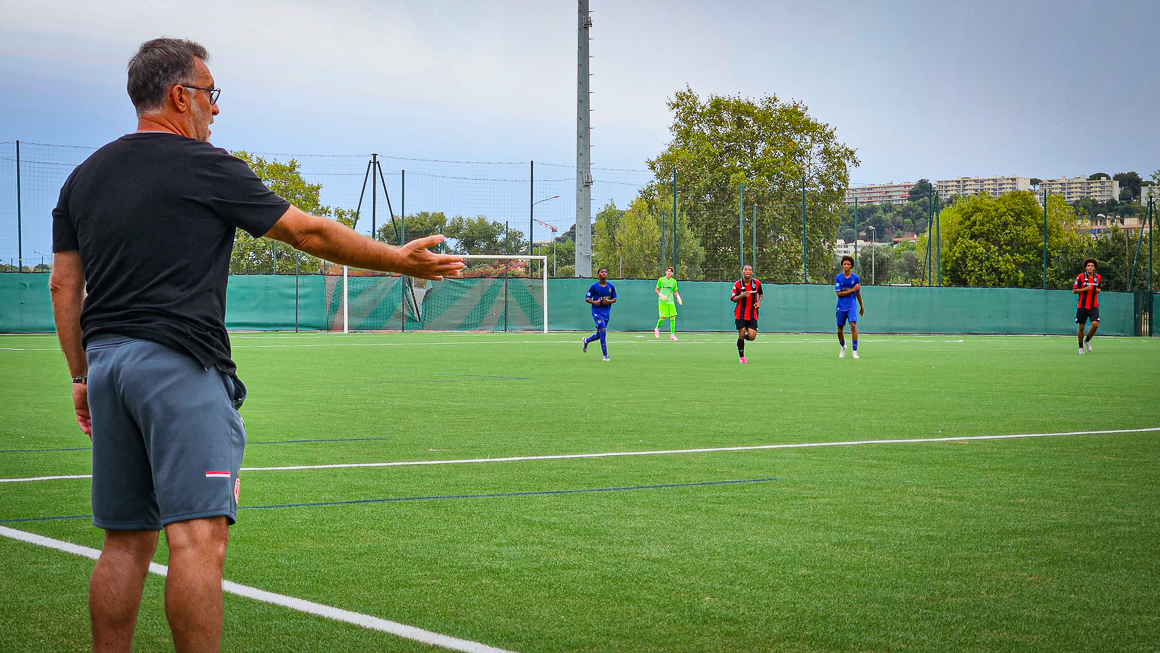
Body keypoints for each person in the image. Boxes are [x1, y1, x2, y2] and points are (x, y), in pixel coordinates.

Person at [49, 38, 463, 653]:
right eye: (211, 94)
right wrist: (400, 262)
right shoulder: (204, 164)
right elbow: (310, 232)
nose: (216, 109)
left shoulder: (85, 176)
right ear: (179, 95)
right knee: (196, 539)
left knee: (124, 540)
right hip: (179, 367)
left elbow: (64, 283)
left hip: (108, 367)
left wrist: (82, 376)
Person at [731, 264, 762, 363]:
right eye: (745, 270)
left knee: (752, 336)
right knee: (742, 331)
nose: (748, 271)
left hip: (753, 313)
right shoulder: (737, 284)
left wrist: (758, 302)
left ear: (752, 272)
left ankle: (740, 340)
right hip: (740, 313)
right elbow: (733, 299)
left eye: (750, 270)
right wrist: (742, 295)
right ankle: (742, 357)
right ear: (742, 272)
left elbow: (761, 293)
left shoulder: (756, 283)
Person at [583, 268, 616, 361]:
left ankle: (586, 340)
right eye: (602, 272)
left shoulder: (610, 287)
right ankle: (605, 356)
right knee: (603, 331)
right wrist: (595, 302)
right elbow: (587, 298)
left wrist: (608, 301)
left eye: (605, 272)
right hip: (597, 312)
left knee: (600, 334)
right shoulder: (594, 287)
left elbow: (614, 299)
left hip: (606, 312)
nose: (604, 273)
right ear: (598, 274)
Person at [834, 255, 864, 359]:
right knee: (839, 330)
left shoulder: (855, 278)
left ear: (851, 266)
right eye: (844, 264)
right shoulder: (838, 277)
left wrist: (861, 306)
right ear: (842, 265)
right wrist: (852, 290)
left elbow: (858, 293)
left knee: (853, 325)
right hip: (841, 306)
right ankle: (843, 347)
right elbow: (839, 294)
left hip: (852, 305)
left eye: (848, 264)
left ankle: (854, 351)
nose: (846, 265)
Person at [1073, 258, 1101, 354]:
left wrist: (1098, 291)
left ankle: (1087, 340)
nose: (1090, 267)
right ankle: (1080, 346)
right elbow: (1074, 290)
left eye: (1092, 266)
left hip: (1093, 305)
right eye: (1088, 266)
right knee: (1081, 327)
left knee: (1095, 324)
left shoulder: (1098, 277)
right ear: (1085, 267)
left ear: (1094, 268)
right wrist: (1085, 289)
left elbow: (1098, 288)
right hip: (1082, 306)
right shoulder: (1080, 277)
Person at [654, 266, 682, 340]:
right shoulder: (661, 280)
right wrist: (661, 295)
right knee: (663, 317)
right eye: (668, 271)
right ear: (665, 272)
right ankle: (657, 328)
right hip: (662, 301)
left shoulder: (673, 282)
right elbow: (656, 289)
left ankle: (672, 335)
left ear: (672, 273)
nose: (669, 272)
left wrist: (678, 297)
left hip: (670, 302)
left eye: (671, 271)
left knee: (673, 316)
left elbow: (675, 291)